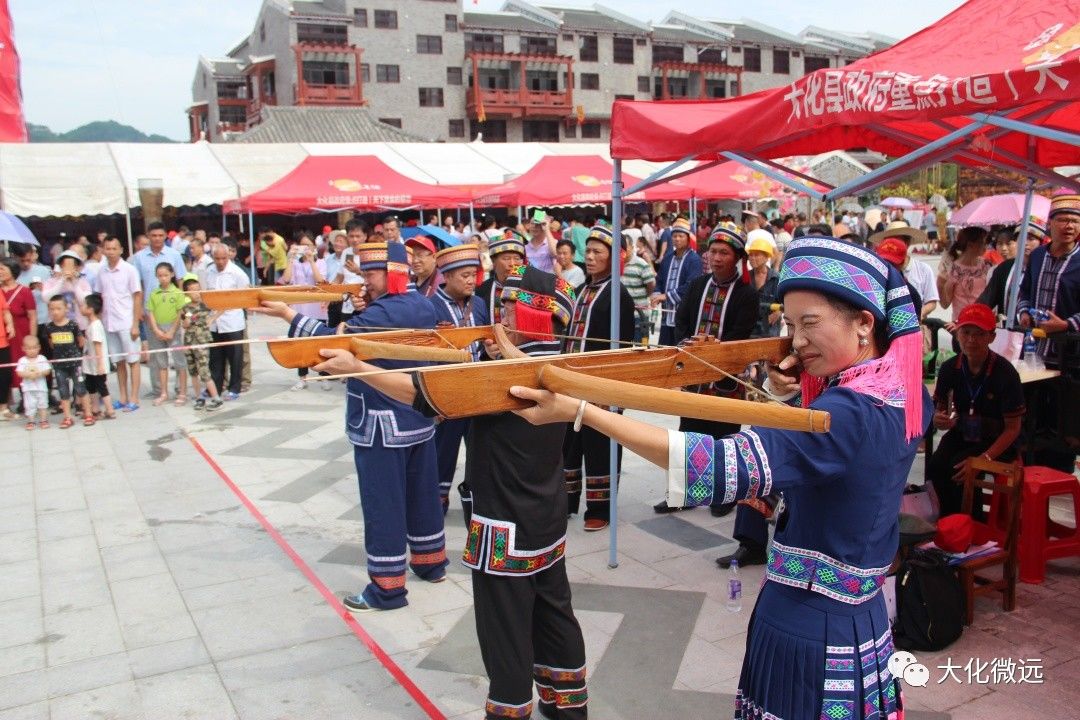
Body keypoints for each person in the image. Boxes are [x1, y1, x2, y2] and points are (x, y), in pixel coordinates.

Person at [511, 237, 929, 720]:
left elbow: (717, 466)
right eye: (791, 326)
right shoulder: (902, 387)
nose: (796, 341)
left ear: (864, 322)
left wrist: (583, 410)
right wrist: (783, 391)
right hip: (861, 616)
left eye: (810, 324)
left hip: (811, 627)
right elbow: (824, 466)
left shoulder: (848, 411)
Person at [312, 264, 588, 720]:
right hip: (546, 517)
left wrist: (359, 367)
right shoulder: (556, 360)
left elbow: (420, 394)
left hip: (505, 527)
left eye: (505, 307)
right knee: (555, 614)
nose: (496, 316)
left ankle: (510, 710)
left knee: (505, 633)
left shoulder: (508, 374)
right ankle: (567, 707)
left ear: (531, 317)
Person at [259, 242, 447, 612]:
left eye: (371, 274)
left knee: (384, 505)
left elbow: (330, 342)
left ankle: (387, 588)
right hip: (418, 418)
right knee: (421, 495)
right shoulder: (425, 303)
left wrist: (287, 315)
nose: (364, 281)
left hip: (381, 422)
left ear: (391, 273)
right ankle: (430, 563)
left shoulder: (382, 312)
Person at [655, 228, 760, 531]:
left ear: (738, 258)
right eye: (712, 252)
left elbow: (741, 333)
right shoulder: (697, 285)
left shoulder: (746, 294)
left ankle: (724, 495)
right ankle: (686, 492)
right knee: (688, 434)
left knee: (724, 435)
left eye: (723, 253)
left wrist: (713, 349)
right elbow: (682, 322)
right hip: (694, 374)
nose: (716, 258)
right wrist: (691, 345)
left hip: (726, 376)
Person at [562, 225, 636, 531]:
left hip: (601, 384)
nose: (589, 258)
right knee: (570, 442)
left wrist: (611, 390)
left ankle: (600, 507)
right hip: (570, 382)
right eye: (587, 252)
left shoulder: (620, 295)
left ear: (612, 258)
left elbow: (624, 348)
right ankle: (566, 501)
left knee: (600, 444)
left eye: (597, 253)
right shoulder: (580, 291)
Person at [928, 303, 1024, 518]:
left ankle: (971, 527)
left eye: (979, 334)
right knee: (936, 465)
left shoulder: (1005, 373)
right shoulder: (949, 368)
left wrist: (985, 458)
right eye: (966, 332)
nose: (971, 340)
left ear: (991, 337)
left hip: (997, 441)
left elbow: (1013, 429)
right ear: (957, 332)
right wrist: (939, 419)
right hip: (963, 434)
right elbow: (940, 409)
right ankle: (944, 525)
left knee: (960, 467)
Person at [428, 244, 484, 511]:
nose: (471, 280)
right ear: (446, 277)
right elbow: (423, 355)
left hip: (477, 394)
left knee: (478, 453)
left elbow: (487, 344)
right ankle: (435, 504)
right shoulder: (429, 307)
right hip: (447, 394)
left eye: (473, 274)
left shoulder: (480, 304)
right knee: (443, 452)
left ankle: (475, 503)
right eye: (464, 275)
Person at [1018, 192, 1080, 362]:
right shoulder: (1037, 255)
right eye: (1062, 220)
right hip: (1033, 348)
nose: (1069, 226)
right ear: (1049, 223)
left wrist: (1066, 324)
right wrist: (1024, 313)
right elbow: (1025, 291)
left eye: (1075, 221)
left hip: (1069, 353)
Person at [96, 237, 143, 411]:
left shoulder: (129, 270)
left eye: (114, 248)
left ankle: (134, 398)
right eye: (107, 248)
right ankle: (123, 397)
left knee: (133, 360)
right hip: (109, 322)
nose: (111, 252)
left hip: (126, 321)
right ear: (103, 250)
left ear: (121, 250)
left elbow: (137, 295)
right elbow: (99, 296)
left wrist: (135, 323)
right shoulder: (101, 271)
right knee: (119, 362)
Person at [281, 235, 327, 390]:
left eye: (308, 246)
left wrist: (312, 260)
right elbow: (286, 280)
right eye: (302, 246)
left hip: (317, 310)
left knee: (320, 344)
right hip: (299, 310)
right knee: (300, 345)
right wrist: (290, 258)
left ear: (314, 247)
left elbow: (321, 281)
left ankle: (323, 376)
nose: (305, 249)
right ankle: (302, 377)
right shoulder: (295, 264)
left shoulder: (321, 262)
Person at [204, 244, 250, 401]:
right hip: (214, 323)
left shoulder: (237, 273)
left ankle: (234, 387)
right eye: (217, 258)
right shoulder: (209, 271)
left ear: (229, 256)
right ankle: (215, 386)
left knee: (235, 356)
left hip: (232, 321)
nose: (220, 262)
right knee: (216, 357)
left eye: (223, 258)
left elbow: (244, 296)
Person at [651, 217, 703, 346]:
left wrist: (666, 296)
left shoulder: (694, 259)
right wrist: (656, 294)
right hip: (666, 314)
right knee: (664, 349)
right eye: (674, 236)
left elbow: (691, 286)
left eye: (681, 236)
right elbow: (660, 280)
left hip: (684, 316)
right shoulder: (667, 259)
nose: (677, 239)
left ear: (688, 238)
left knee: (681, 350)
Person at [871, 223, 939, 320]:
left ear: (907, 243)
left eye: (896, 241)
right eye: (889, 241)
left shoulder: (924, 269)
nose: (892, 245)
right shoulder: (879, 270)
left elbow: (932, 301)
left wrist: (916, 315)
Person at [43, 296, 92, 428]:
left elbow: (81, 342)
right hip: (59, 365)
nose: (55, 312)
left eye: (58, 308)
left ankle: (88, 414)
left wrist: (76, 355)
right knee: (63, 391)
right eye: (52, 309)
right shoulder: (49, 327)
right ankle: (67, 417)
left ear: (66, 308)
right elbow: (51, 344)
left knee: (80, 388)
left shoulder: (73, 325)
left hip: (75, 364)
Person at [146, 262, 190, 406]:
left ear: (171, 275)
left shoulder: (177, 292)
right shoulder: (154, 293)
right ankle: (163, 392)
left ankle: (182, 392)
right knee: (161, 362)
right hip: (157, 329)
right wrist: (156, 329)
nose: (163, 278)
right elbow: (150, 312)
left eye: (165, 275)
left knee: (179, 361)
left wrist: (171, 330)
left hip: (173, 329)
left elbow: (180, 312)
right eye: (160, 276)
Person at [180, 277, 224, 412]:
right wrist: (187, 319)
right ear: (186, 293)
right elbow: (185, 324)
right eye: (193, 291)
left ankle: (216, 398)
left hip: (202, 341)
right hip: (189, 341)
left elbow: (222, 307)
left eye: (198, 290)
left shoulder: (205, 305)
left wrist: (212, 319)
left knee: (204, 371)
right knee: (193, 371)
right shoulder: (185, 308)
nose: (196, 293)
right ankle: (199, 398)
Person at [0, 258, 36, 417]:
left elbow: (32, 316)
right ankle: (5, 404)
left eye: (2, 268)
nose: (0, 272)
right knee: (5, 370)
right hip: (4, 336)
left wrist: (32, 338)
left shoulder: (24, 291)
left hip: (21, 334)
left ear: (12, 270)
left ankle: (27, 401)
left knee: (22, 366)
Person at [939, 226, 992, 330]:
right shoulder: (952, 269)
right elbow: (945, 304)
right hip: (962, 325)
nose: (986, 247)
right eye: (982, 243)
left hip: (983, 323)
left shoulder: (986, 266)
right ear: (970, 245)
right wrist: (941, 283)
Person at [475, 229, 526, 329]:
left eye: (517, 258)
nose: (512, 264)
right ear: (494, 262)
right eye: (506, 258)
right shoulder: (482, 290)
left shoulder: (531, 287)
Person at [80, 293, 116, 420]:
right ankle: (95, 408)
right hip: (90, 364)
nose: (81, 307)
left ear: (90, 309)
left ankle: (110, 409)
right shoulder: (91, 324)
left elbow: (98, 345)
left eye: (84, 305)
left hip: (97, 364)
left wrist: (100, 364)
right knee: (91, 385)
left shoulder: (95, 326)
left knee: (101, 386)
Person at [619, 233, 657, 343]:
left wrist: (647, 294)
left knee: (641, 345)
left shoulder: (641, 264)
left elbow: (651, 284)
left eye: (625, 247)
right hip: (622, 315)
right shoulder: (616, 264)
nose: (623, 250)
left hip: (639, 315)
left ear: (631, 247)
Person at [746, 236, 781, 338]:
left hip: (769, 328)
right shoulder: (745, 278)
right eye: (750, 255)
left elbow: (787, 300)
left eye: (756, 255)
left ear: (766, 257)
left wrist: (779, 312)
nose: (752, 258)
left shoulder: (776, 278)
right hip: (749, 328)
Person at [16, 335, 50, 430]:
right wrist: (27, 374)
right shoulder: (22, 360)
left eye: (34, 348)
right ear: (23, 349)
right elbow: (18, 372)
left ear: (39, 347)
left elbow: (48, 370)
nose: (32, 350)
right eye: (29, 348)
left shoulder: (42, 359)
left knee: (43, 404)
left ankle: (43, 420)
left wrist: (40, 373)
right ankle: (31, 421)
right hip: (28, 388)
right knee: (29, 405)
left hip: (41, 387)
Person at [0, 288, 12, 418]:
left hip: (2, 340)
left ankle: (3, 408)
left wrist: (10, 324)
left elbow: (5, 310)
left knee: (5, 375)